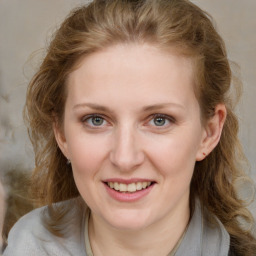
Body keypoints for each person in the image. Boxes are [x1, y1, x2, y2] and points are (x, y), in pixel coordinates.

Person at [3, 0, 256, 255]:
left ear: (208, 133)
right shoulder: (22, 245)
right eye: (96, 120)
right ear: (61, 134)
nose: (125, 158)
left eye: (159, 120)